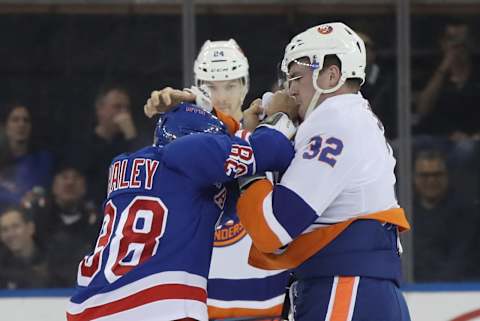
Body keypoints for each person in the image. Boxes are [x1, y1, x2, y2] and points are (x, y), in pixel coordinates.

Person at [236, 22, 411, 321]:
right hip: (356, 287)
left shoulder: (334, 122)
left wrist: (248, 162)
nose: (289, 89)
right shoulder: (348, 117)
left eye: (296, 77)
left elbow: (272, 227)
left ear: (331, 76)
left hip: (345, 288)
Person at [66, 103, 294, 321]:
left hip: (89, 304)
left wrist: (245, 132)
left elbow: (220, 202)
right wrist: (279, 116)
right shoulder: (188, 153)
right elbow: (275, 150)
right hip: (154, 305)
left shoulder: (125, 165)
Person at [193, 39, 289, 320]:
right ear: (198, 87)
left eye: (230, 85)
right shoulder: (188, 146)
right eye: (211, 86)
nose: (221, 97)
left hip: (267, 301)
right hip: (204, 305)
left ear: (245, 85)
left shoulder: (270, 139)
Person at [25, 164, 100, 287]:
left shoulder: (98, 222)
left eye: (76, 177)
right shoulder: (37, 219)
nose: (70, 182)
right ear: (54, 185)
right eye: (64, 177)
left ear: (84, 187)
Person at [413, 150, 477, 282]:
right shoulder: (405, 210)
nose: (431, 180)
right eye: (425, 175)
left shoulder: (466, 213)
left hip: (454, 289)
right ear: (414, 178)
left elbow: (461, 259)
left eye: (437, 175)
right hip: (413, 287)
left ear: (447, 176)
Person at [415, 21, 480, 140]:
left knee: (466, 149)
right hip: (436, 136)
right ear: (443, 43)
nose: (459, 47)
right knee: (399, 147)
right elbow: (422, 109)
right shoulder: (430, 70)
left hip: (471, 139)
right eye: (453, 40)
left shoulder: (477, 72)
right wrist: (444, 69)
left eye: (463, 42)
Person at [0, 103, 53, 210]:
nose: (21, 124)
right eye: (15, 120)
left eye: (26, 120)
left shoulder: (42, 160)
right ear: (6, 127)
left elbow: (46, 193)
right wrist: (18, 200)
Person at [0, 207, 49, 288]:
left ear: (30, 228)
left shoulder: (53, 258)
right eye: (4, 230)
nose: (10, 234)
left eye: (15, 227)